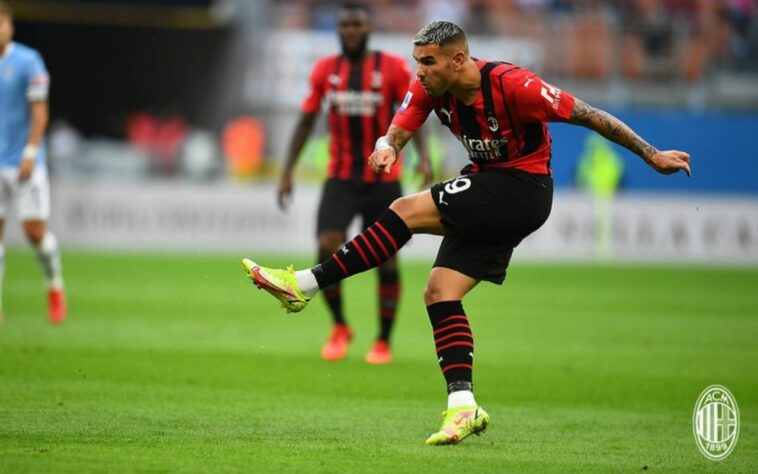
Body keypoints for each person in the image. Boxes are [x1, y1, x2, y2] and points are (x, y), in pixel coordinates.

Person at [243, 21, 691, 445]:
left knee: (404, 209)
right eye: (417, 60)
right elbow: (398, 130)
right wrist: (385, 148)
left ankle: (304, 284)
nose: (419, 71)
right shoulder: (428, 89)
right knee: (440, 292)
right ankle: (464, 405)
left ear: (458, 60)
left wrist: (651, 155)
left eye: (429, 61)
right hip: (491, 189)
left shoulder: (515, 85)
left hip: (523, 188)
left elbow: (590, 115)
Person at [278, 2, 432, 364]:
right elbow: (305, 122)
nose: (349, 30)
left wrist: (423, 158)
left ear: (368, 28)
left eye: (356, 24)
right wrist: (287, 171)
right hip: (341, 177)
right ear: (338, 28)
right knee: (326, 246)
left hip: (383, 178)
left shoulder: (391, 68)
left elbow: (413, 113)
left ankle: (382, 340)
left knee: (387, 259)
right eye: (344, 24)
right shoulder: (325, 71)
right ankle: (340, 327)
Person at [0, 2, 67, 324]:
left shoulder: (27, 60)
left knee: (34, 233)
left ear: (10, 26)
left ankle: (54, 284)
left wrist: (29, 153)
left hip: (25, 161)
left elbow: (40, 111)